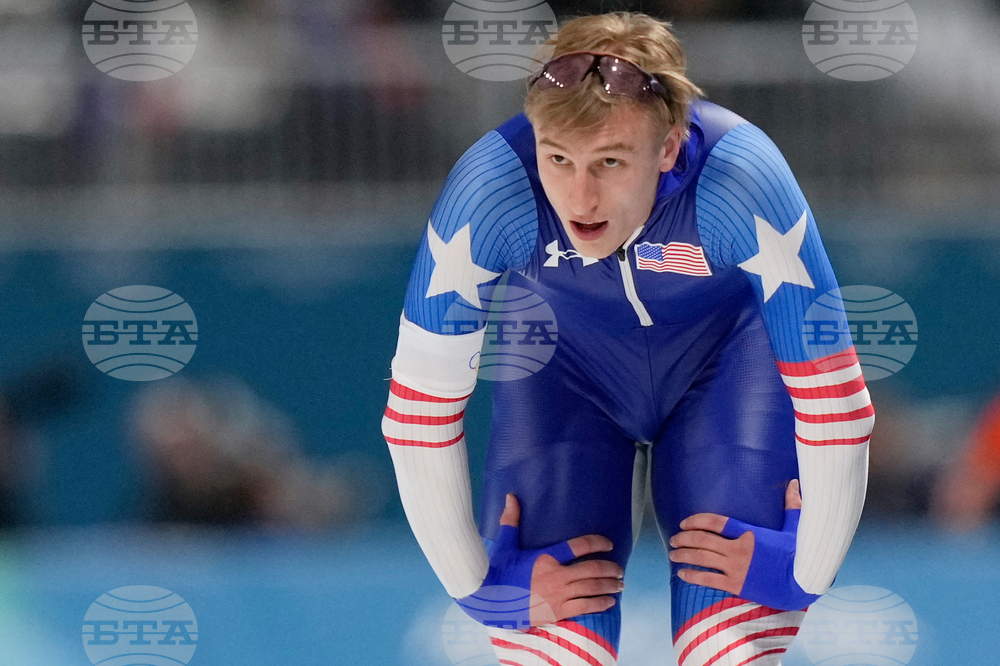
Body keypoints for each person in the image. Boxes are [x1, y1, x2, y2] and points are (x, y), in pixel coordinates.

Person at [382, 12, 873, 666]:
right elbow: (417, 415)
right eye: (558, 158)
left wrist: (804, 577)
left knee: (729, 652)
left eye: (609, 161)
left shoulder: (740, 178)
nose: (579, 196)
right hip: (561, 379)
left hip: (725, 368)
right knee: (550, 644)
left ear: (668, 148)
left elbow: (838, 405)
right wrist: (480, 592)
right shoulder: (491, 189)